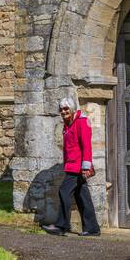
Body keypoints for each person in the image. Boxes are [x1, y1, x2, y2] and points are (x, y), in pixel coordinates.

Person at [43, 98, 101, 236]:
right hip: (72, 165)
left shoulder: (82, 122)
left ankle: (61, 225)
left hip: (78, 166)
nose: (63, 112)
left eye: (66, 109)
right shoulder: (68, 124)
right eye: (61, 109)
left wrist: (86, 166)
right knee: (82, 196)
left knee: (64, 191)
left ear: (73, 109)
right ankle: (92, 228)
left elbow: (86, 145)